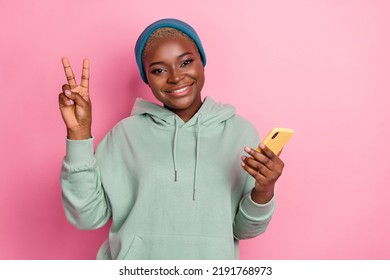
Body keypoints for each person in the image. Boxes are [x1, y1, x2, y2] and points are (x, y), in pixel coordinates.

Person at [58, 18, 285, 260]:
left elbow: (244, 229)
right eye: (159, 70)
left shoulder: (241, 132)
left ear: (202, 63)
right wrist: (79, 133)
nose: (176, 77)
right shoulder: (125, 135)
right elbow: (87, 217)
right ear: (146, 77)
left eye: (186, 62)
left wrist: (264, 190)